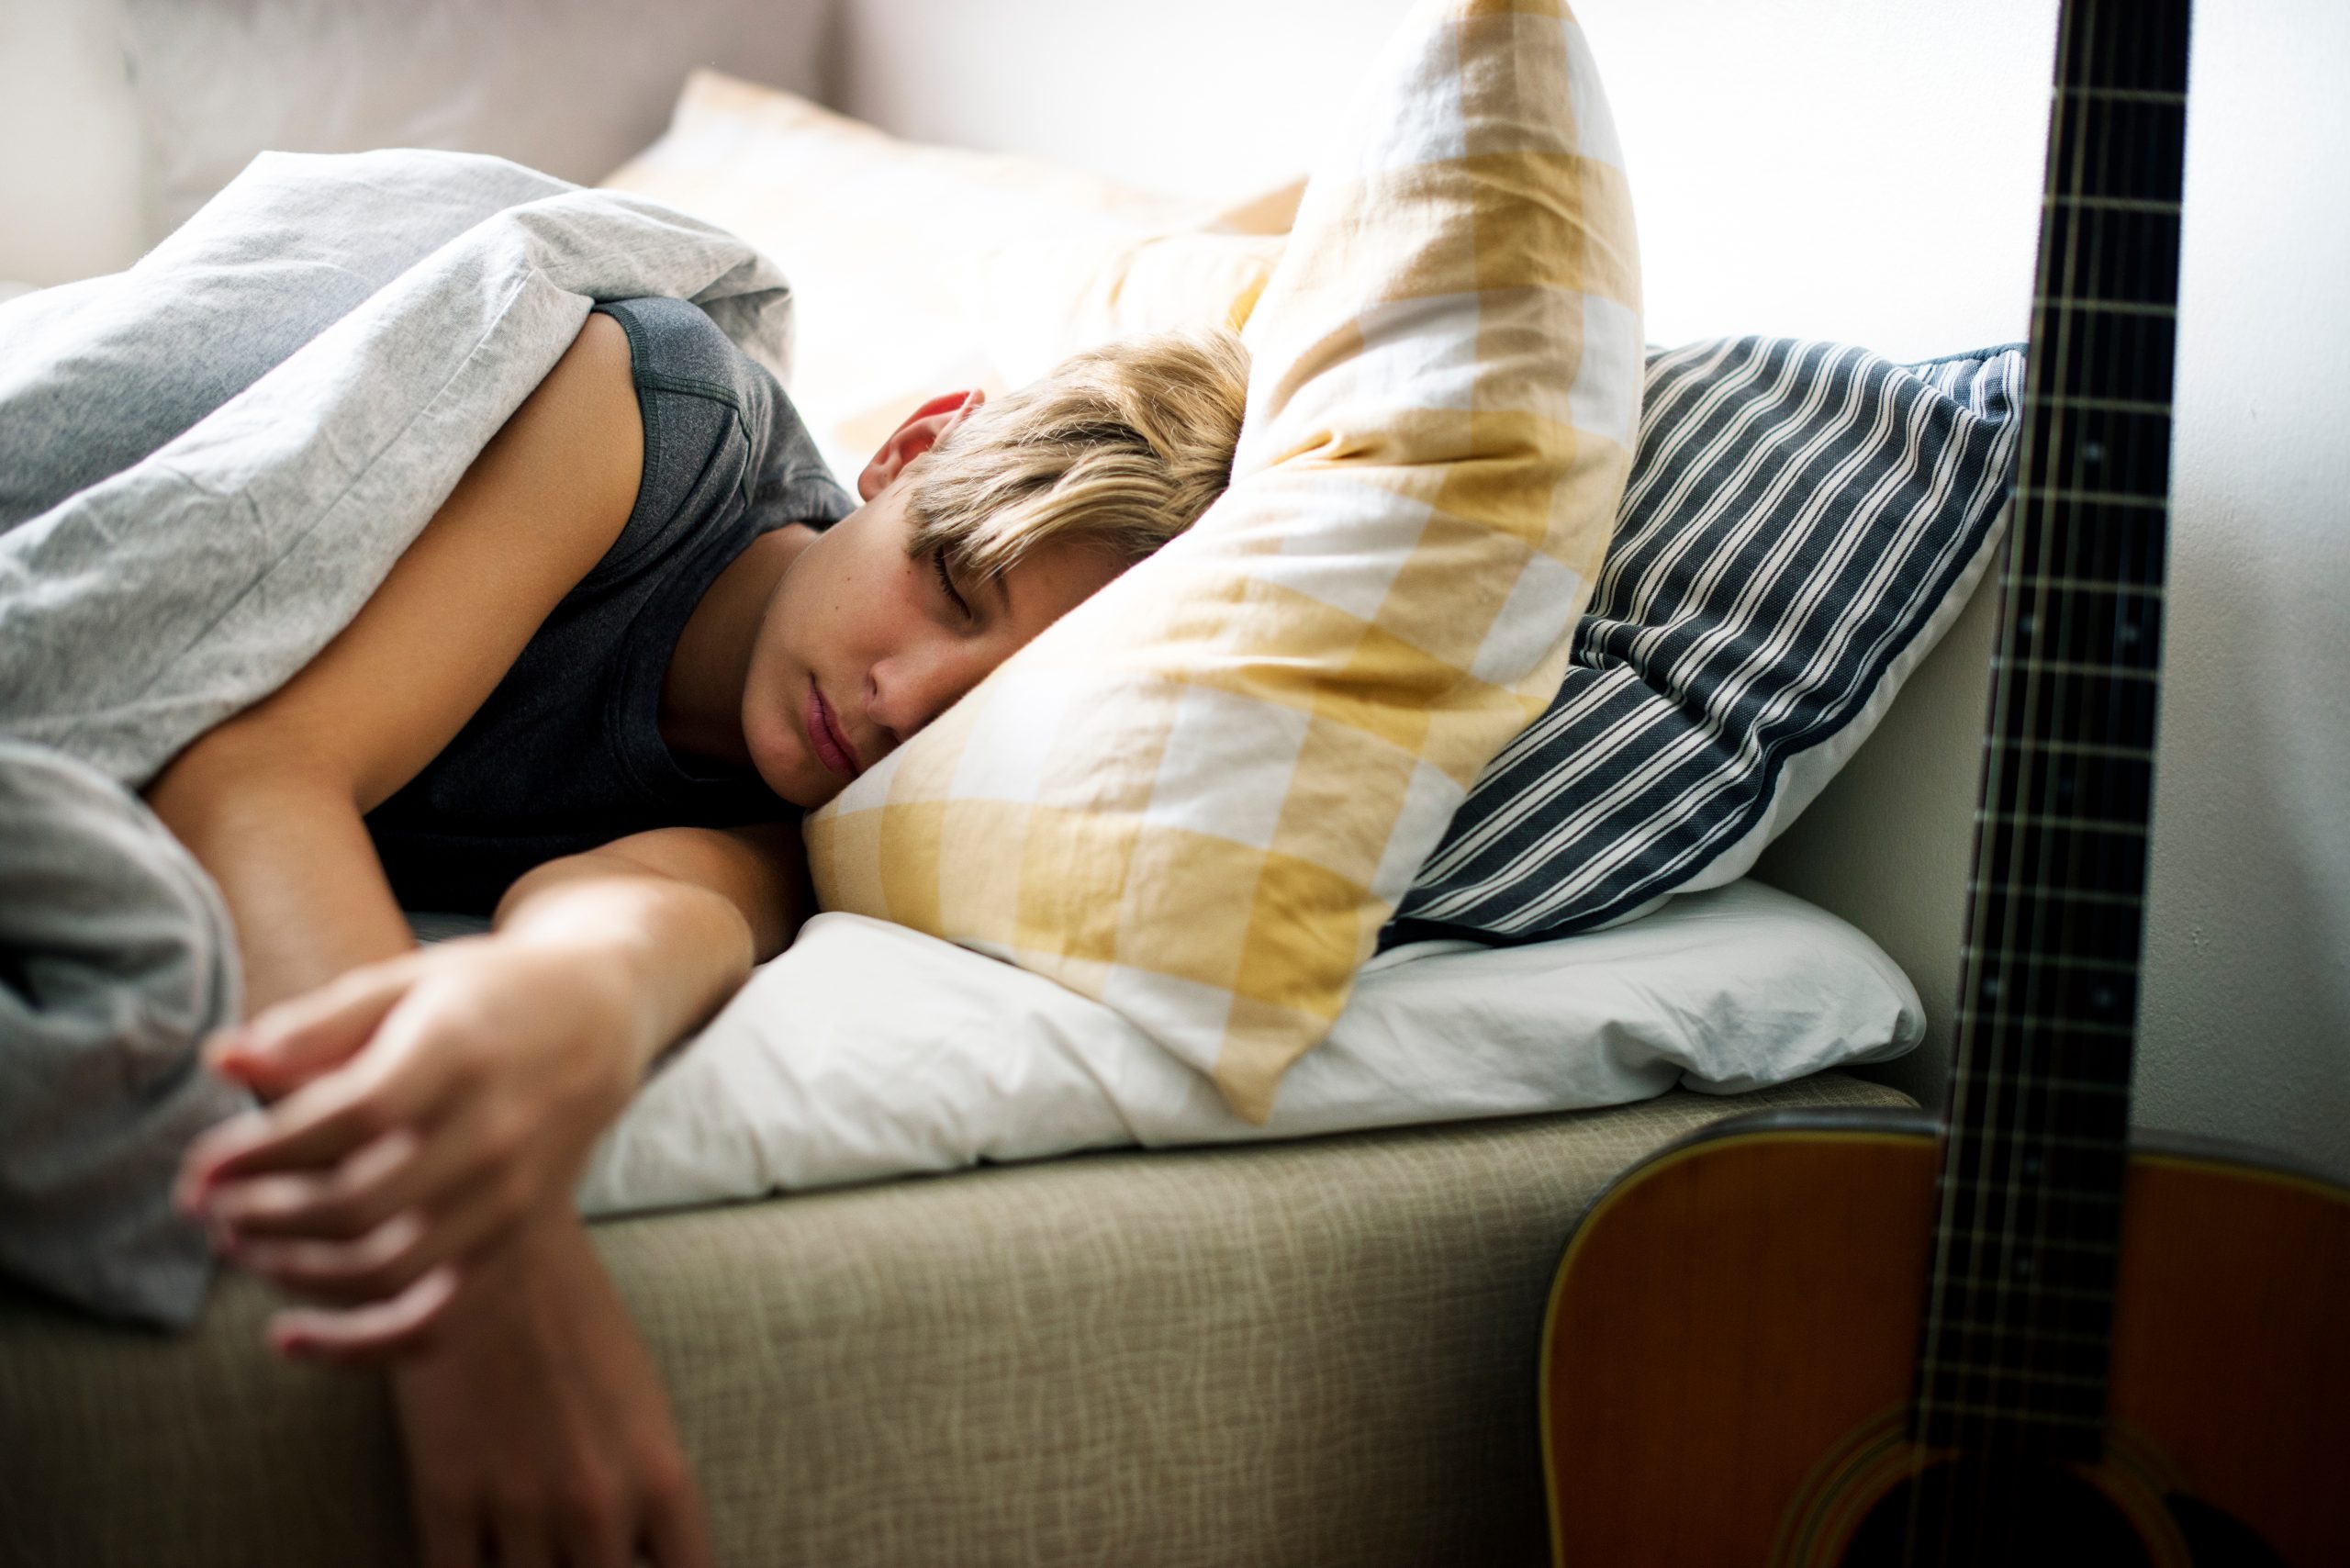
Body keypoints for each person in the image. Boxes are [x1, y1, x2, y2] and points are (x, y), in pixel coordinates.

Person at [150, 296, 1251, 1568]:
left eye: (993, 706)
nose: (905, 703)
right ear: (914, 450)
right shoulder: (639, 422)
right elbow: (245, 771)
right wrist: (485, 1275)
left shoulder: (838, 822)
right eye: (951, 586)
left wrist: (576, 1002)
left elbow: (648, 908)